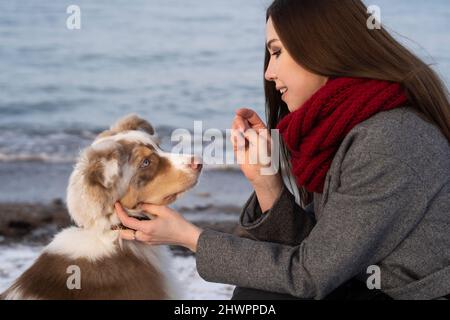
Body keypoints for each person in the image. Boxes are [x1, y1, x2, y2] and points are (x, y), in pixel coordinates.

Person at [115, 0, 450, 300]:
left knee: (259, 299)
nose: (268, 72)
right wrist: (266, 181)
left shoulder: (388, 139)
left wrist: (188, 237)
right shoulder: (345, 127)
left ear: (321, 47)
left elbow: (310, 275)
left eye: (276, 52)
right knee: (258, 293)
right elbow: (322, 253)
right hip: (368, 285)